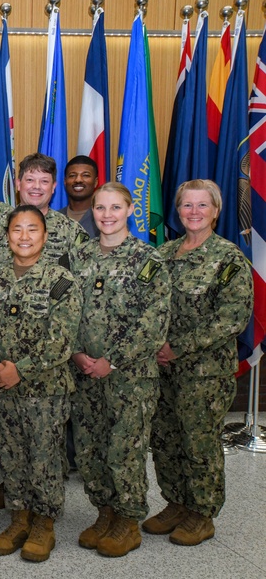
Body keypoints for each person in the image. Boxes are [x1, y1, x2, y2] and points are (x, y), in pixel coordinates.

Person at [0, 205, 82, 563]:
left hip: (44, 391)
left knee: (44, 457)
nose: (24, 237)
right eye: (17, 230)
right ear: (6, 237)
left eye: (32, 230)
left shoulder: (62, 282)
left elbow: (61, 340)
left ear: (45, 237)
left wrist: (21, 368)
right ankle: (18, 518)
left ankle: (44, 523)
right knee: (9, 455)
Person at [145, 180, 253, 546]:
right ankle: (176, 502)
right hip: (162, 369)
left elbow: (232, 317)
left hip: (204, 373)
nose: (193, 212)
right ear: (178, 211)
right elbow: (145, 301)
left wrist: (179, 346)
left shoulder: (228, 258)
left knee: (199, 443)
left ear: (216, 211)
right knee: (165, 439)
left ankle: (202, 512)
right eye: (187, 206)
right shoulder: (164, 254)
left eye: (201, 206)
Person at [68, 182, 170, 557]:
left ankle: (128, 521)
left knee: (124, 448)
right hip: (85, 373)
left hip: (129, 377)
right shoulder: (79, 257)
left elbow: (153, 321)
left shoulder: (148, 260)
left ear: (130, 210)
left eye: (115, 208)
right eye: (100, 208)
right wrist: (77, 353)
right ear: (92, 212)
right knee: (90, 446)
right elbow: (67, 310)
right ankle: (105, 511)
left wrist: (112, 359)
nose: (107, 215)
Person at [58, 156, 99, 239]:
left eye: (86, 175)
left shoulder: (105, 218)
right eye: (72, 175)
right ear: (65, 182)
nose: (78, 180)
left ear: (95, 182)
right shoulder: (54, 219)